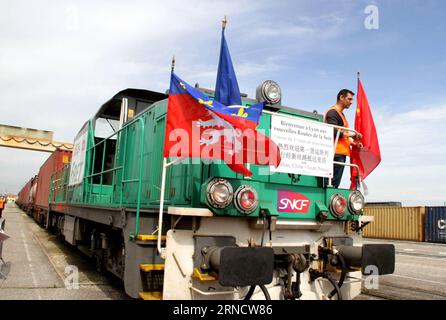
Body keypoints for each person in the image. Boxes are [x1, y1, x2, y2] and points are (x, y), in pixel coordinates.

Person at [324, 89, 362, 188]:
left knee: (334, 184)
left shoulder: (341, 114)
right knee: (331, 184)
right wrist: (351, 134)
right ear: (341, 97)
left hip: (340, 154)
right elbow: (332, 131)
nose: (351, 102)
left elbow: (342, 135)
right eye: (349, 99)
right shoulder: (332, 112)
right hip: (335, 153)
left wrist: (354, 143)